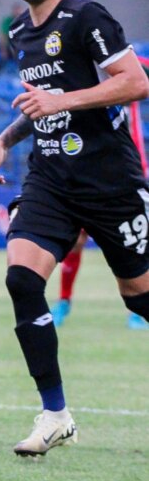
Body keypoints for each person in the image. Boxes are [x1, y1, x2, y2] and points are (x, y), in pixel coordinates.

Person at [0, 0, 149, 456]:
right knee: (22, 281)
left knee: (140, 298)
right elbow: (40, 101)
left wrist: (61, 101)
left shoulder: (87, 17)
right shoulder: (19, 32)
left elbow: (137, 82)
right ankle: (55, 414)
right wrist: (3, 141)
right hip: (50, 178)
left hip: (110, 182)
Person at [53, 57, 149, 332]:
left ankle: (138, 309)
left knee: (133, 244)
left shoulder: (127, 83)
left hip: (129, 173)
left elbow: (136, 65)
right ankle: (64, 301)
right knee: (77, 240)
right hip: (90, 172)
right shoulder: (85, 86)